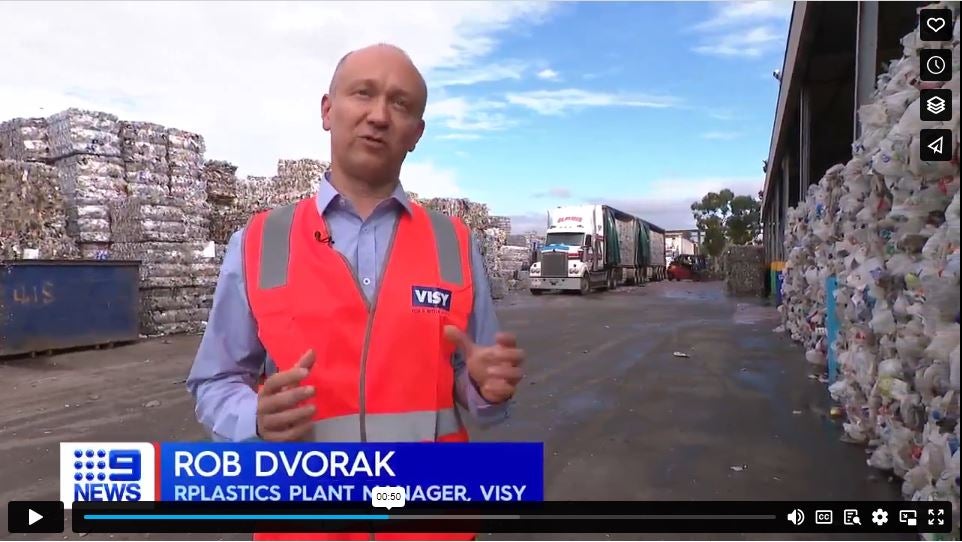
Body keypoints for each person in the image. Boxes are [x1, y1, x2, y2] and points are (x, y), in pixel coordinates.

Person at [186, 43, 525, 541]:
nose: (379, 116)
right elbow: (214, 382)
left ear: (417, 134)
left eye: (401, 104)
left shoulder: (452, 244)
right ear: (328, 110)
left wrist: (485, 388)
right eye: (362, 94)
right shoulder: (260, 243)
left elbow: (477, 392)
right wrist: (253, 418)